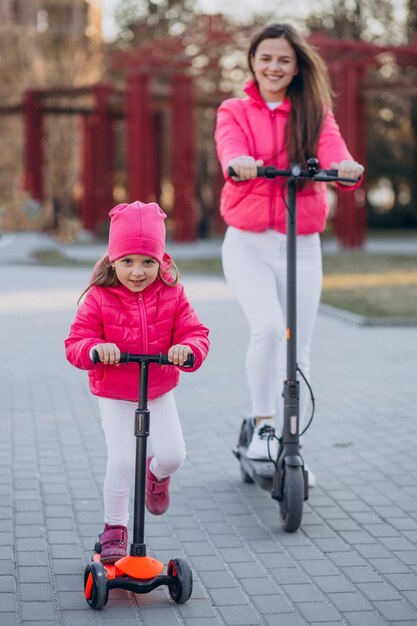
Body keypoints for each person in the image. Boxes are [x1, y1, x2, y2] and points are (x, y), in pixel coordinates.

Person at [215, 23, 364, 484]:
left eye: (283, 59)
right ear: (252, 62)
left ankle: (290, 441)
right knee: (265, 330)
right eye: (265, 58)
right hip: (249, 243)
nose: (273, 67)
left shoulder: (314, 112)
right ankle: (263, 427)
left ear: (296, 66)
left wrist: (344, 169)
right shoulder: (234, 109)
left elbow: (336, 153)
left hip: (302, 243)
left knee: (298, 348)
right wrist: (237, 165)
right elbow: (230, 149)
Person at [65, 201, 210, 563]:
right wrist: (97, 349)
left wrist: (187, 350)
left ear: (161, 261)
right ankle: (114, 528)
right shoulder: (99, 296)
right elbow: (75, 342)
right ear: (112, 260)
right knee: (123, 459)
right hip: (115, 391)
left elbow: (196, 332)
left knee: (174, 455)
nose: (137, 272)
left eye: (147, 262)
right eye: (127, 261)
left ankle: (156, 476)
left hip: (157, 387)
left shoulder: (172, 292)